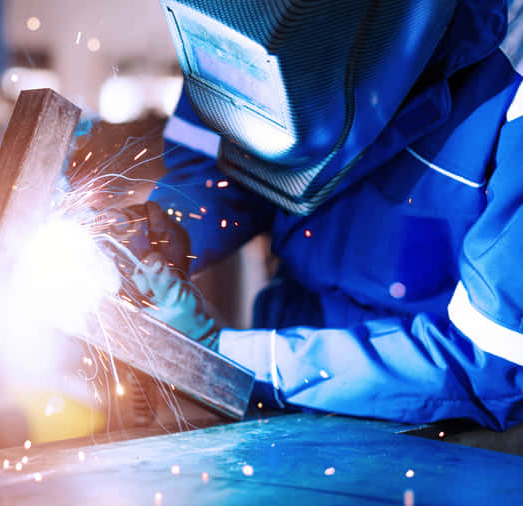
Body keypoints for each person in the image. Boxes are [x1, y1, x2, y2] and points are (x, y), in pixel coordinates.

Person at [123, 0, 523, 430]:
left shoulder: (511, 86)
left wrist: (236, 359)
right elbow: (218, 159)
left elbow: (493, 363)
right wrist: (171, 231)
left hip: (437, 420)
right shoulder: (227, 14)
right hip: (283, 372)